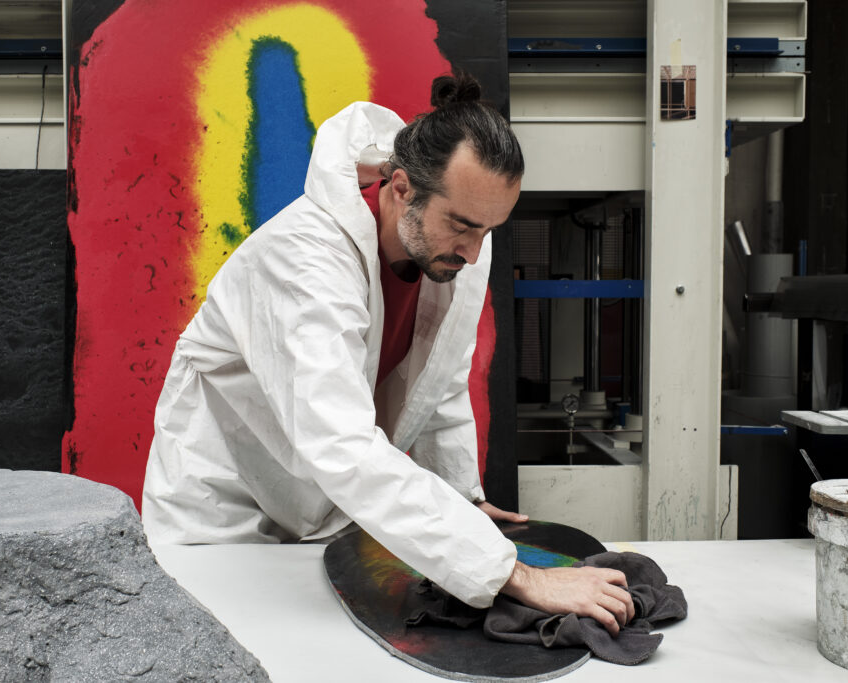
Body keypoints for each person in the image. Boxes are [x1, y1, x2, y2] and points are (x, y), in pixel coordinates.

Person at [142, 72, 634, 635]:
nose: (475, 253)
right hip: (226, 519)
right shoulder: (304, 260)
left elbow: (439, 390)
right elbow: (342, 443)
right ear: (401, 188)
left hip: (323, 514)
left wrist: (462, 502)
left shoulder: (451, 247)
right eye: (463, 226)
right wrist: (513, 575)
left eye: (489, 230)